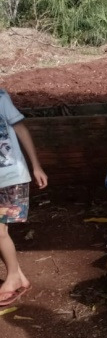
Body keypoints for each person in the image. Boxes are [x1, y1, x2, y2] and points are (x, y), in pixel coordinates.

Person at [0, 89, 47, 307]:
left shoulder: (0, 97)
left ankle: (12, 278)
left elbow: (21, 129)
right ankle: (19, 277)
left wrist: (36, 165)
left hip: (10, 176)